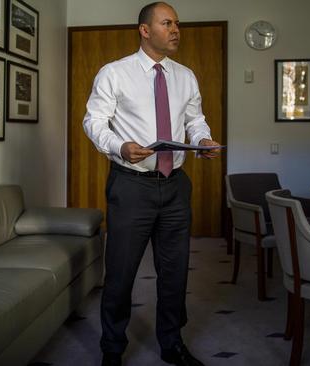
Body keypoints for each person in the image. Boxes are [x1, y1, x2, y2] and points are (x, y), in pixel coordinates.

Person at [82, 3, 221, 366]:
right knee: (121, 274)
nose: (176, 29)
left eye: (177, 23)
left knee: (174, 273)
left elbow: (196, 120)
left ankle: (172, 344)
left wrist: (203, 139)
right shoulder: (114, 73)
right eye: (167, 23)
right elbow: (94, 121)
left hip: (175, 185)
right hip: (131, 186)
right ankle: (112, 350)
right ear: (145, 30)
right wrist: (119, 146)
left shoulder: (186, 76)